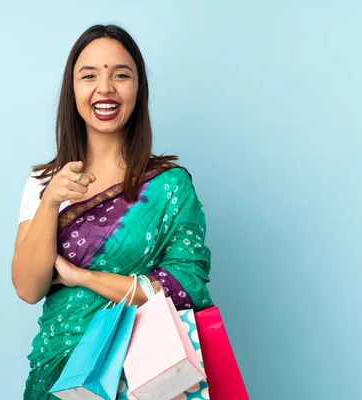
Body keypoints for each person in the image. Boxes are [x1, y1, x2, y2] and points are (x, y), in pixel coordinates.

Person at [12, 24, 213, 400]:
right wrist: (51, 202)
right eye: (89, 75)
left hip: (148, 374)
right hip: (62, 372)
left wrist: (81, 277)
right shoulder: (44, 182)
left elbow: (185, 285)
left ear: (138, 89)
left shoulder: (169, 186)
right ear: (73, 91)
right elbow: (27, 287)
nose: (105, 87)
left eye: (121, 74)